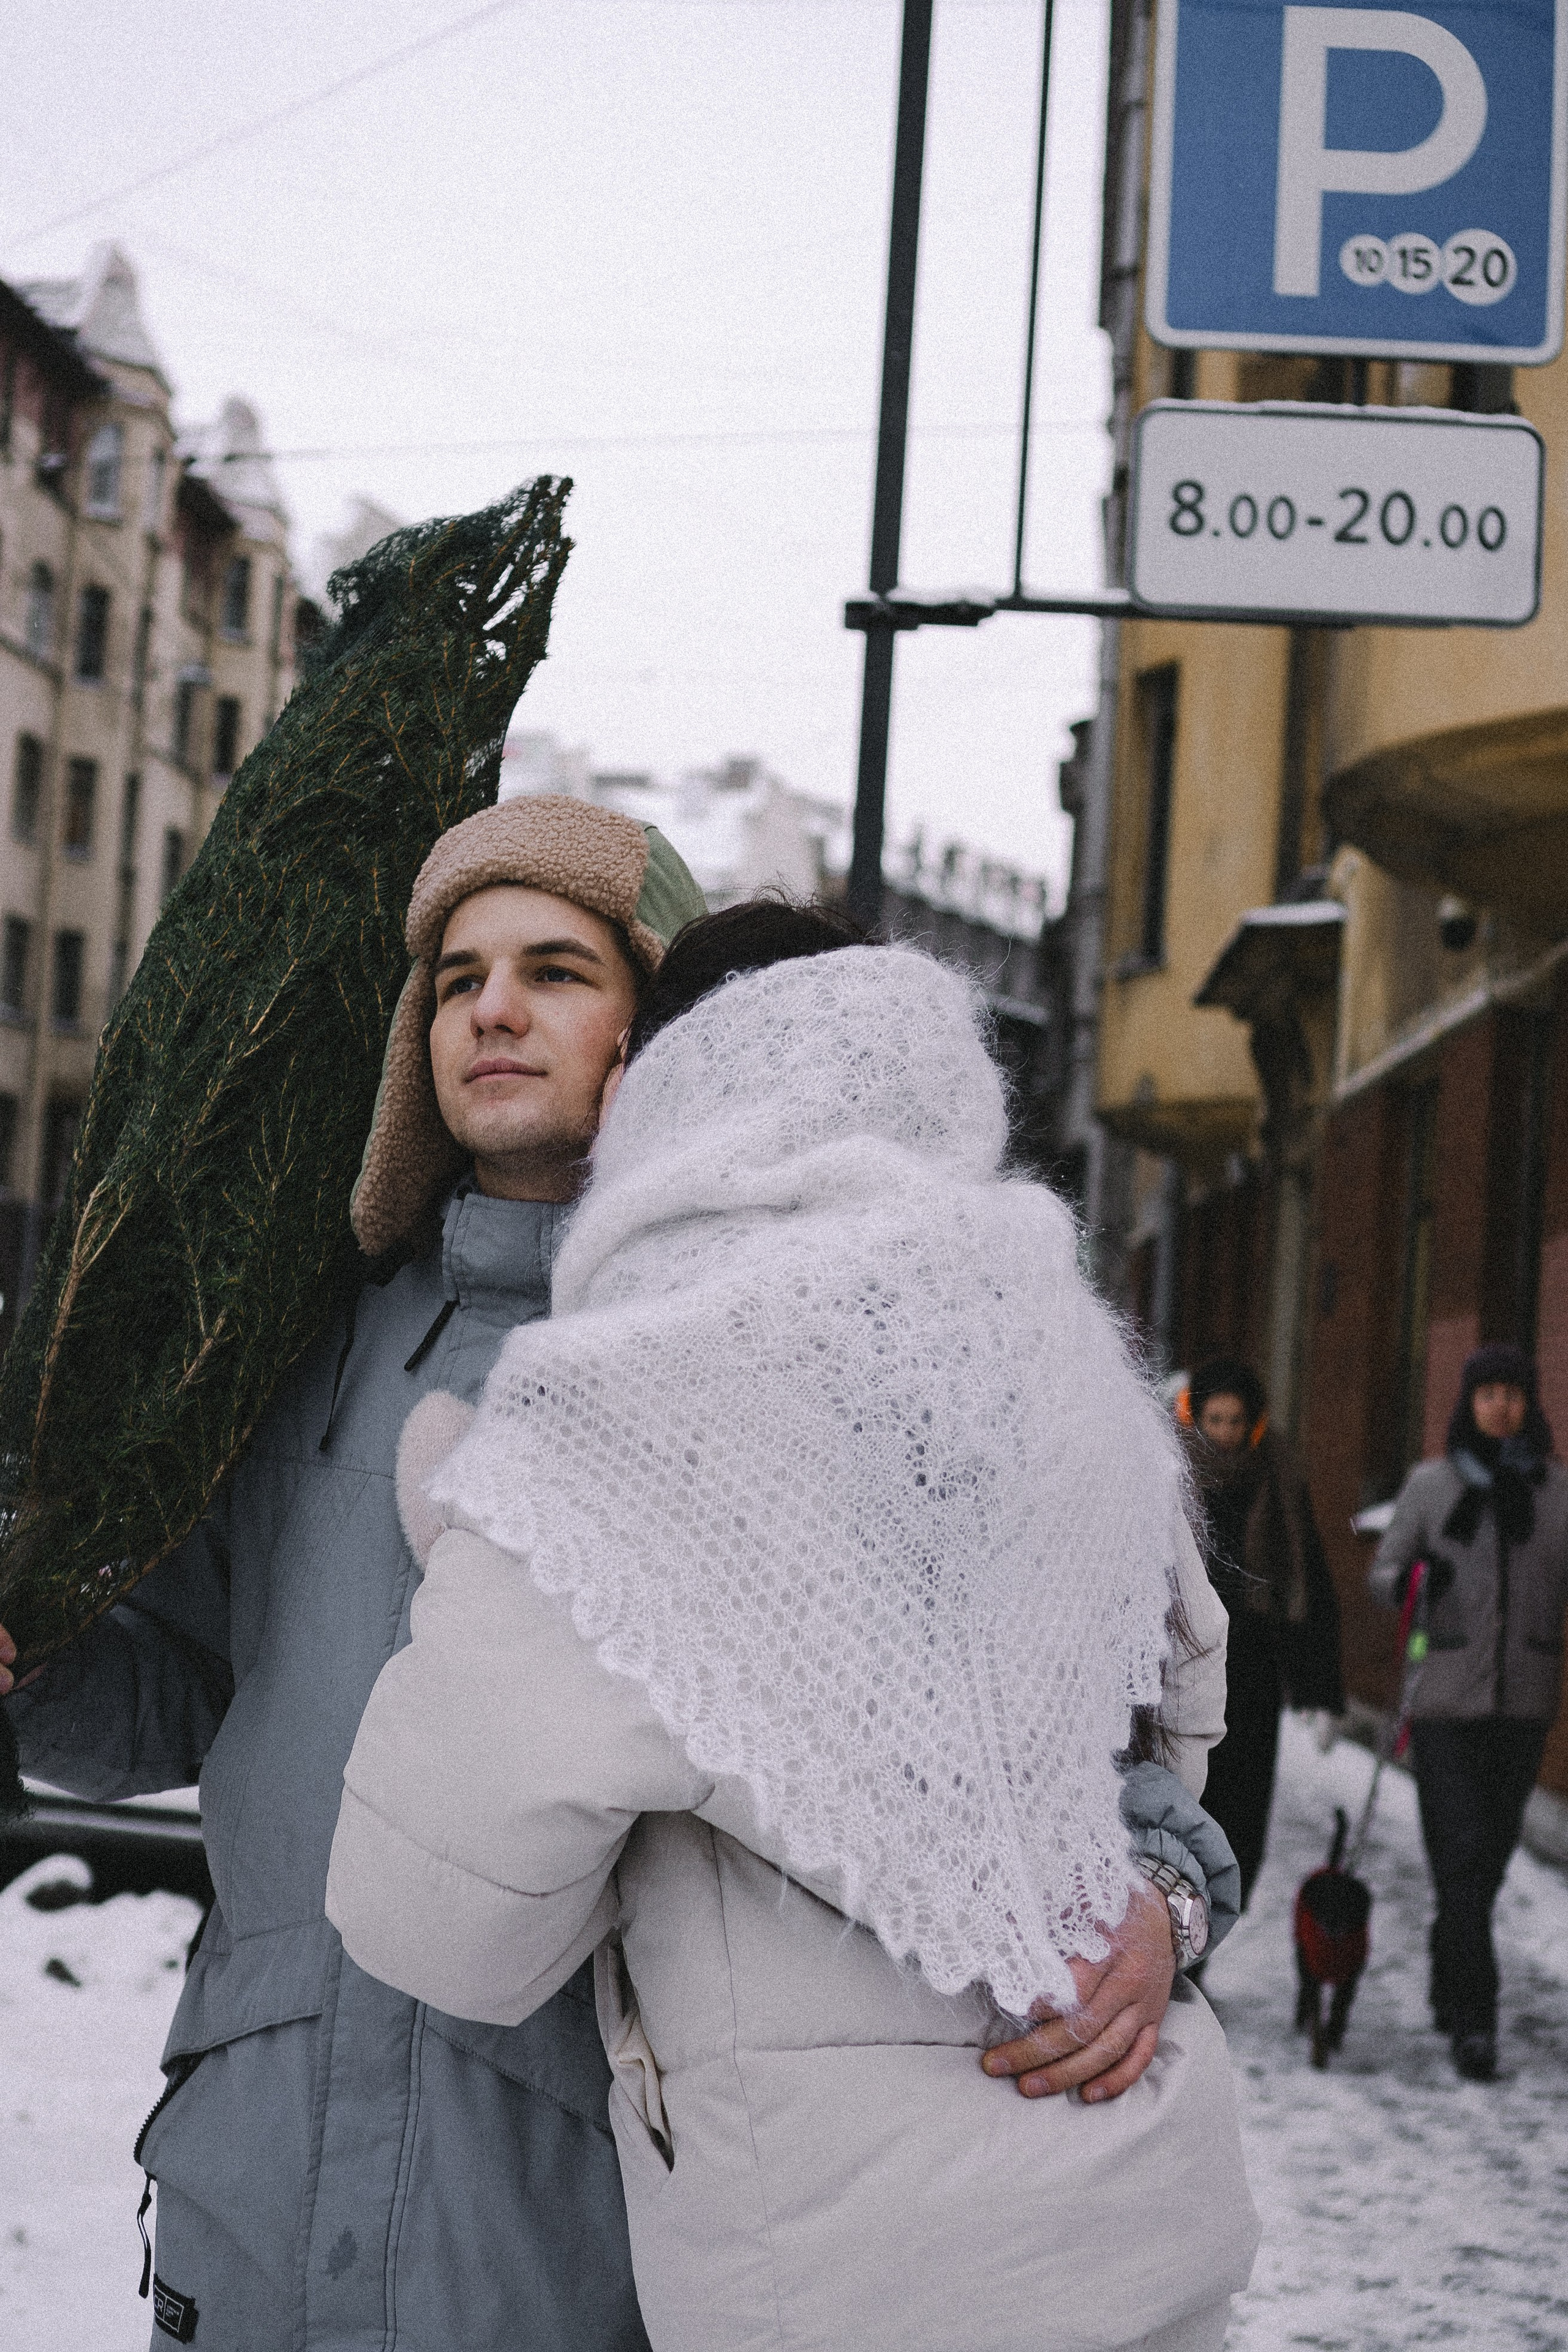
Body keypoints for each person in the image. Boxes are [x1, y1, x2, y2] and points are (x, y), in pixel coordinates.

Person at [0, 839, 1231, 2352]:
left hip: (575, 2218)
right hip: (255, 2178)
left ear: (664, 1034)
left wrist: (1167, 1899)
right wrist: (38, 1660)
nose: (489, 1011)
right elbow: (188, 1683)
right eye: (454, 980)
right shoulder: (300, 1354)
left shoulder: (795, 1356)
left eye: (554, 972)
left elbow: (1066, 1730)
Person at [326, 911, 1259, 2352]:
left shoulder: (619, 1418)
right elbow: (1156, 1750)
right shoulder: (1069, 1357)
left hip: (848, 2279)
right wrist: (1165, 1898)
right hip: (1144, 2213)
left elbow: (435, 1926)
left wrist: (481, 1555)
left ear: (678, 1085)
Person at [1370, 1341, 1568, 2082]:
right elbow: (1383, 1573)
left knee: (1485, 1860)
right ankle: (1477, 2022)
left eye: (1514, 1393)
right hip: (1445, 1700)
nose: (1501, 1406)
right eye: (1487, 1393)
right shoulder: (1430, 1484)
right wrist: (1418, 1577)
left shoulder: (1555, 1493)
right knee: (1458, 1858)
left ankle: (1449, 1961)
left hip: (1523, 1701)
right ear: (1468, 1402)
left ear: (1529, 1404)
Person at [1179, 1357, 1344, 1913]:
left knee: (1241, 1815)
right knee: (1185, 1801)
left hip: (1252, 1672)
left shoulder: (1276, 1474)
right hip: (1184, 1668)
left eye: (1234, 1421)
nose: (1224, 1433)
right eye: (1215, 1419)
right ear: (1195, 1416)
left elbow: (1310, 1578)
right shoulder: (1168, 1475)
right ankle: (1179, 1925)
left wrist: (1319, 1687)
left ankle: (1213, 1929)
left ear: (1253, 1423)